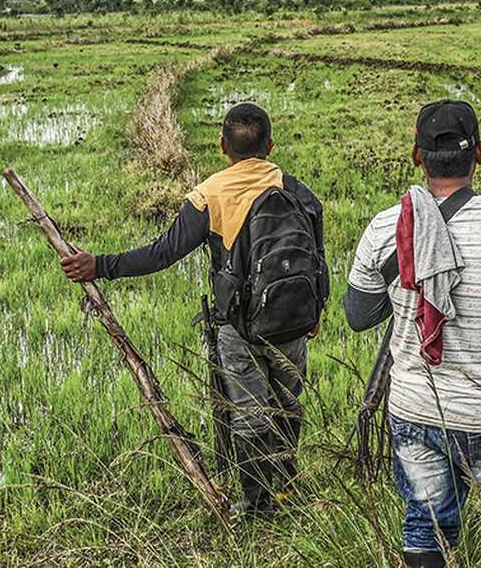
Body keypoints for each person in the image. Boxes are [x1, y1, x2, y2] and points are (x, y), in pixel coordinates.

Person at [59, 102, 329, 518]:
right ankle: (287, 487)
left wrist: (100, 265)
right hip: (294, 322)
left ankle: (257, 506)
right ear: (270, 145)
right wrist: (316, 312)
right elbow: (317, 255)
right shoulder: (295, 189)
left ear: (223, 146)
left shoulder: (209, 195)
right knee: (288, 404)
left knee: (250, 413)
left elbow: (163, 253)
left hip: (238, 328)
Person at [343, 100, 481, 567]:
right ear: (480, 153)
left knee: (425, 526)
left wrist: (408, 278)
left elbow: (359, 315)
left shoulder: (387, 227)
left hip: (414, 410)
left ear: (416, 156)